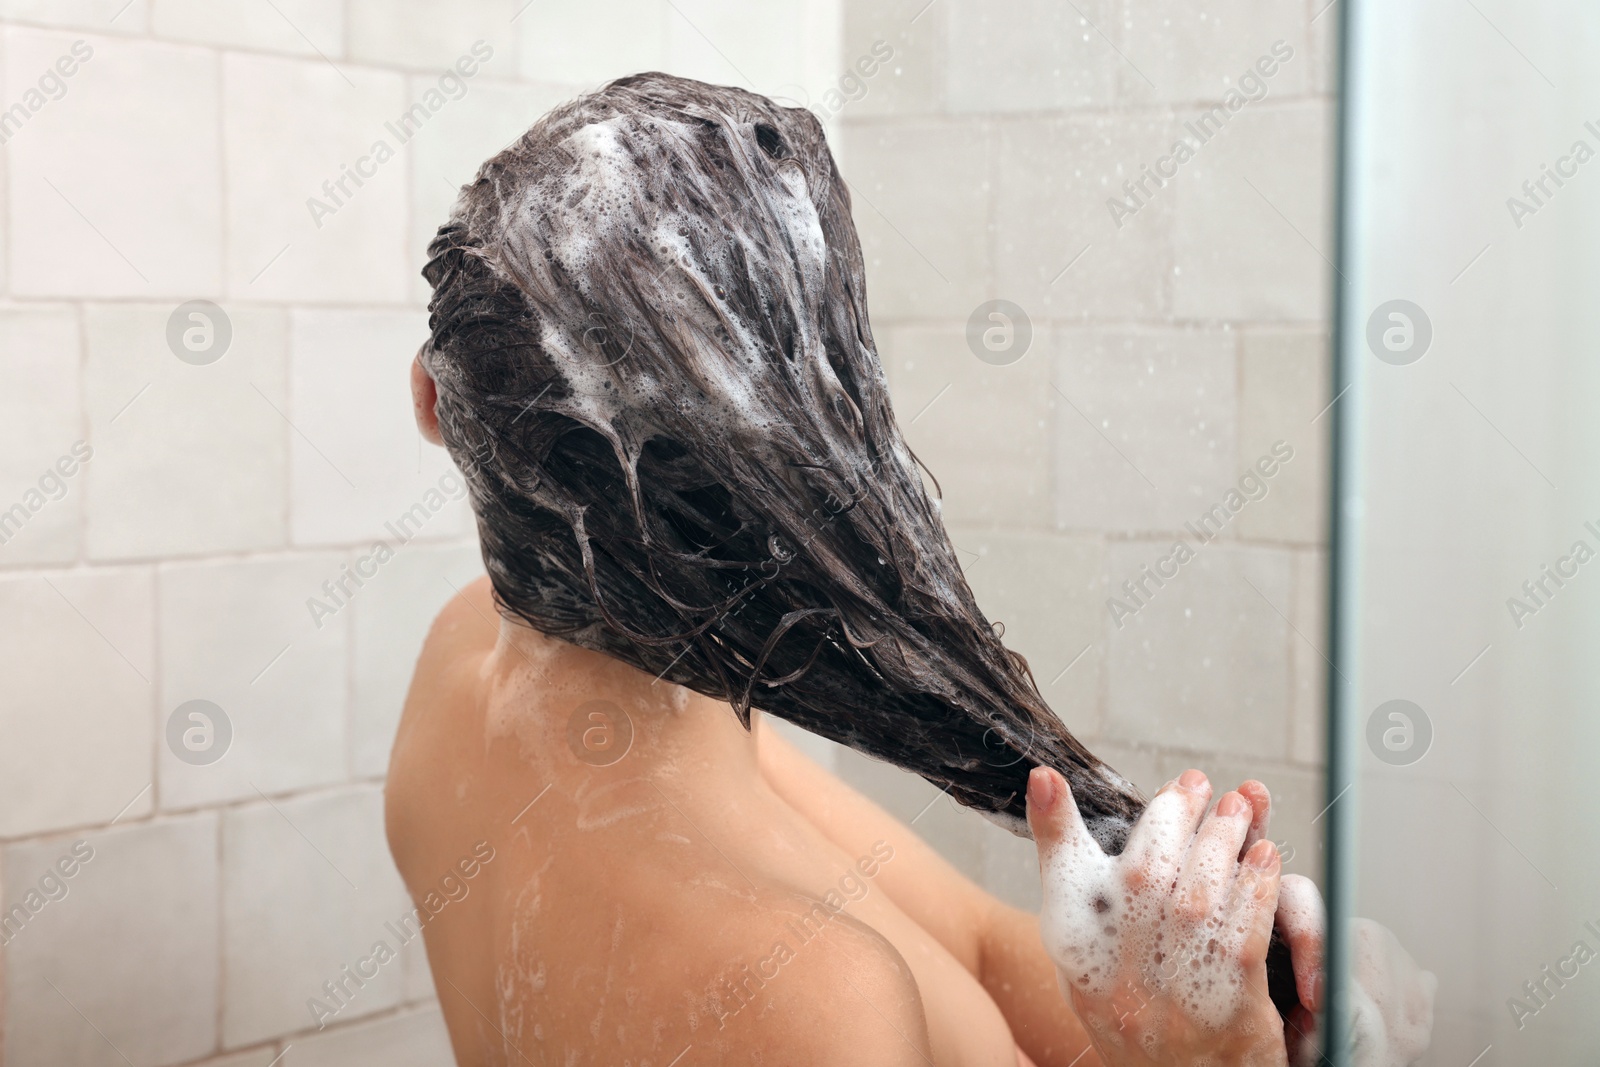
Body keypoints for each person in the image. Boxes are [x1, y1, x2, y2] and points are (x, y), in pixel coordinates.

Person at [388, 72, 1434, 1065]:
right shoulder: (809, 998)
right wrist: (1220, 1056)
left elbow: (975, 942)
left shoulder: (474, 661)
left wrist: (1177, 990)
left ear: (436, 403)